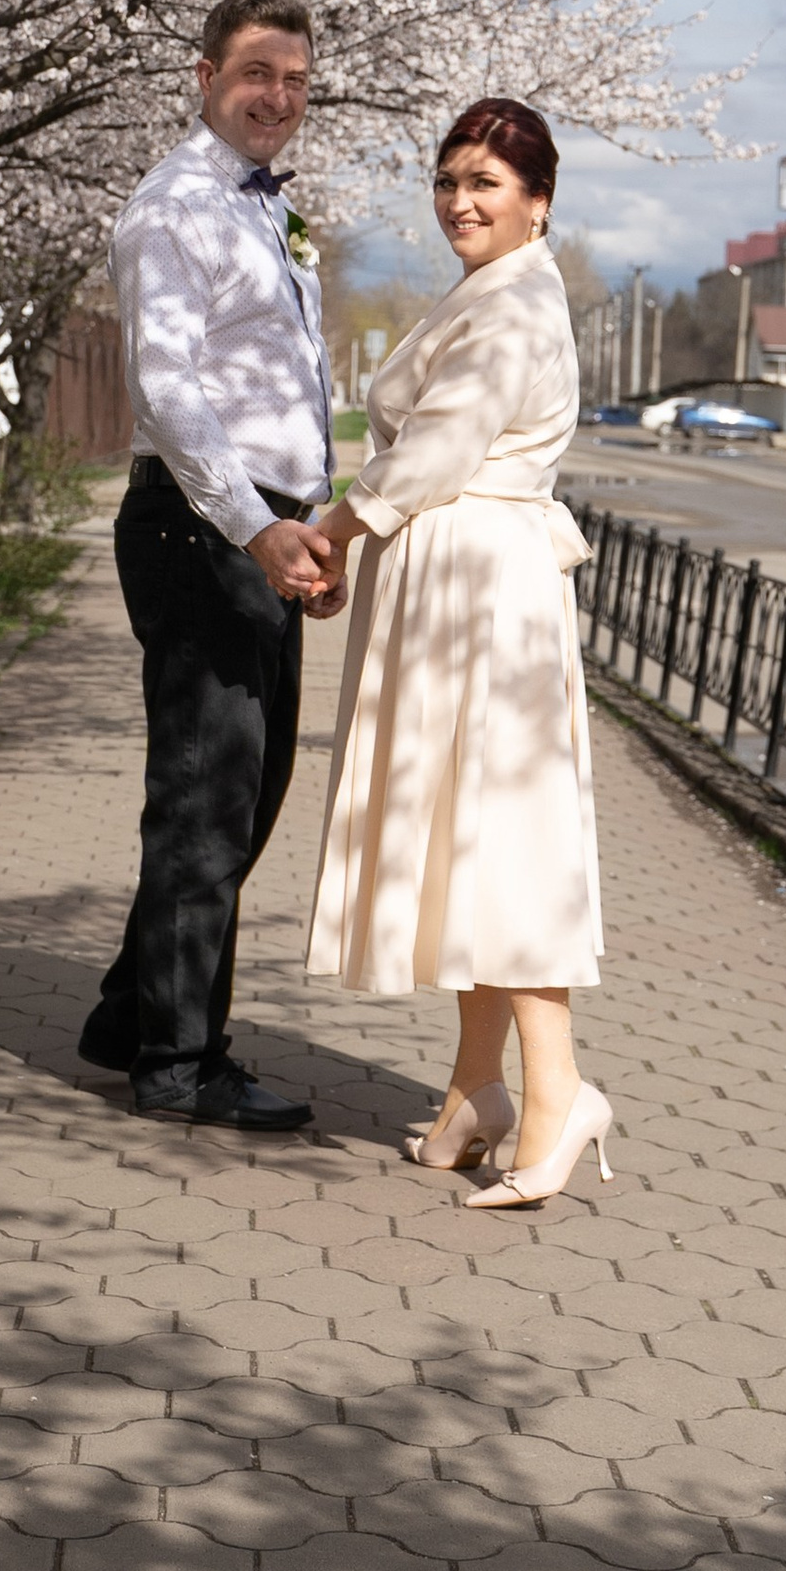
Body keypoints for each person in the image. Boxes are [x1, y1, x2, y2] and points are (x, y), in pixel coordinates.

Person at [306, 97, 611, 1212]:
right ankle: (477, 1086)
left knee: (501, 839)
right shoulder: (493, 290)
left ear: (538, 200)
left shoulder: (519, 303)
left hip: (481, 588)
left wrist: (326, 535)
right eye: (447, 180)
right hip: (455, 582)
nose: (459, 202)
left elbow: (435, 449)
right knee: (461, 833)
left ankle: (558, 1090)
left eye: (485, 182)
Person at [78, 0, 344, 1126]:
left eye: (293, 76)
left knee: (248, 788)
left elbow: (287, 391)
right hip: (201, 527)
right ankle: (178, 1063)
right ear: (203, 75)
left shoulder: (260, 210)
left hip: (257, 528)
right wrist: (256, 525)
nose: (276, 95)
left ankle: (128, 1012)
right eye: (255, 73)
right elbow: (169, 390)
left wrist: (311, 523)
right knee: (206, 795)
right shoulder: (175, 208)